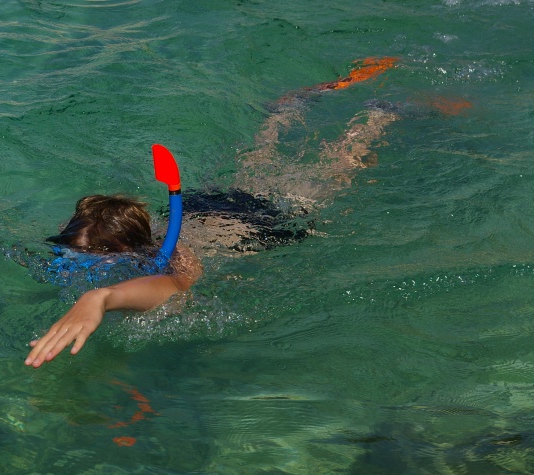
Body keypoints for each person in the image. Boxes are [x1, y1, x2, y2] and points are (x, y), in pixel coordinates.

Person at [24, 57, 401, 368]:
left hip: (259, 223)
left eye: (88, 261)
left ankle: (380, 113)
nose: (73, 266)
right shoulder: (100, 234)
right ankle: (286, 112)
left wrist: (100, 297)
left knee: (338, 168)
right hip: (202, 206)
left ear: (131, 252)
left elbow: (178, 287)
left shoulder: (176, 255)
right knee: (259, 157)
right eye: (69, 255)